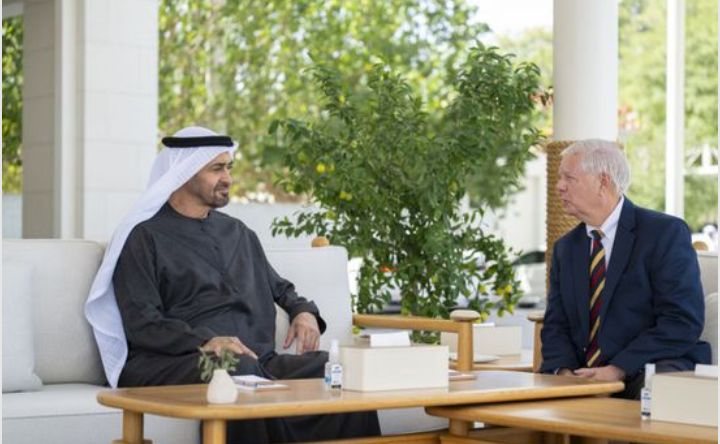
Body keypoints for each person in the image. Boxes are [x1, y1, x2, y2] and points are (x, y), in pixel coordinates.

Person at [85, 126, 380, 443]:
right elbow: (143, 323)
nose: (227, 178)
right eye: (216, 169)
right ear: (184, 173)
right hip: (173, 361)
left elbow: (280, 287)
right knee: (235, 369)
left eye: (229, 167)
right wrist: (206, 341)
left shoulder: (239, 232)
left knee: (338, 370)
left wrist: (303, 311)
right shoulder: (143, 238)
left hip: (256, 359)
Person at [540, 139, 711, 399]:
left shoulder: (664, 234)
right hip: (583, 375)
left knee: (654, 390)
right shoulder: (566, 248)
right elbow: (556, 324)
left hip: (648, 368)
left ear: (603, 182)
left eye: (569, 178)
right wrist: (564, 373)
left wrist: (618, 369)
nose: (559, 186)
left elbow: (681, 321)